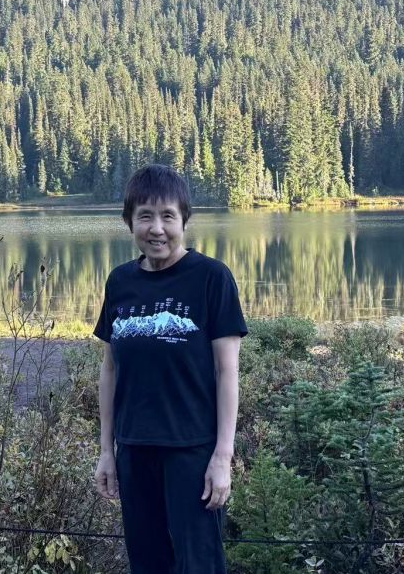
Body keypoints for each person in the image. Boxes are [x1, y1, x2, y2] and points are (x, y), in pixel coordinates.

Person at [93, 164, 247, 573]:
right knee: (147, 564)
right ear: (129, 222)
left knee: (199, 565)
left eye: (168, 216)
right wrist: (107, 451)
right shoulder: (120, 282)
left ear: (184, 221)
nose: (157, 229)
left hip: (192, 451)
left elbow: (227, 373)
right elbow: (110, 371)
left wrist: (223, 456)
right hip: (134, 450)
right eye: (145, 216)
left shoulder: (211, 278)